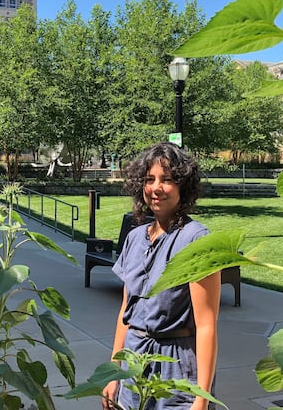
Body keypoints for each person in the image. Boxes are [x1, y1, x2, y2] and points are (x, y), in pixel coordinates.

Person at [102, 142, 221, 410]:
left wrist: (201, 398)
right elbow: (126, 312)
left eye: (166, 180)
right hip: (133, 359)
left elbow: (206, 325)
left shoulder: (196, 240)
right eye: (149, 179)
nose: (156, 188)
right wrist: (114, 373)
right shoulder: (134, 238)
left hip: (176, 369)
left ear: (183, 186)